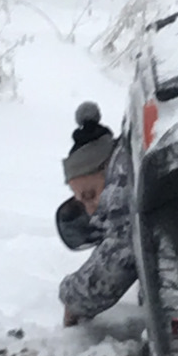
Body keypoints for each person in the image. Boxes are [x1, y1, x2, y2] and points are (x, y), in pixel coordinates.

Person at [59, 102, 137, 325]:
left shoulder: (122, 178)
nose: (91, 212)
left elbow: (118, 260)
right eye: (82, 203)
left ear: (106, 168)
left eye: (90, 195)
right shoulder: (131, 155)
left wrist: (71, 299)